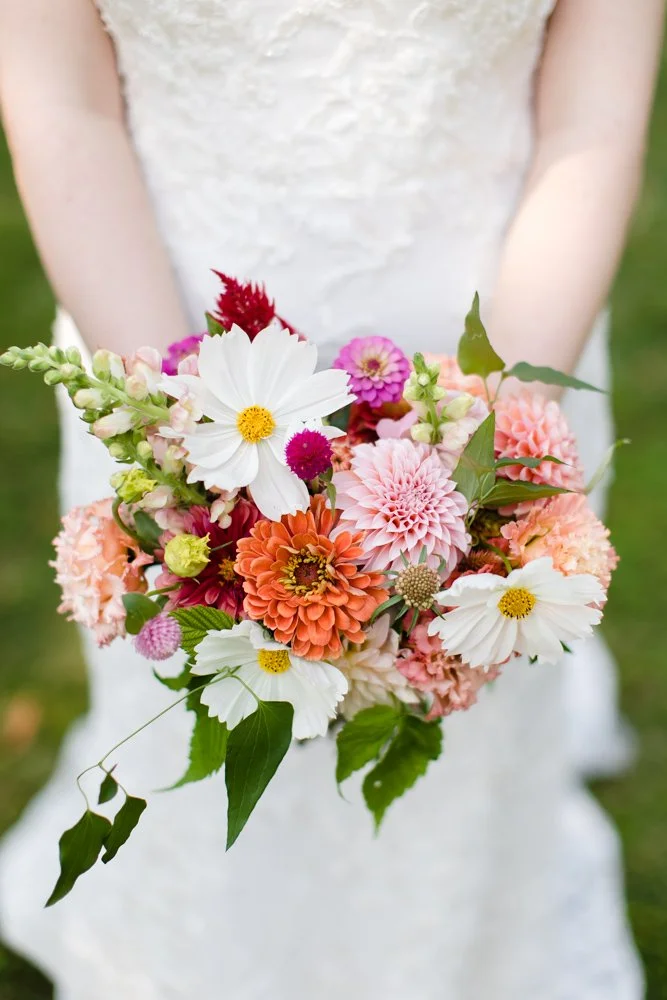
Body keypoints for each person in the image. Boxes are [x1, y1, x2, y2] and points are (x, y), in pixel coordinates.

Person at [0, 1, 663, 997]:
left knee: (464, 712)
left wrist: (484, 458)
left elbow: (591, 122)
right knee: (192, 708)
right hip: (156, 323)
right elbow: (64, 103)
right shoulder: (165, 416)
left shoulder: (495, 420)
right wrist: (176, 444)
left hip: (506, 341)